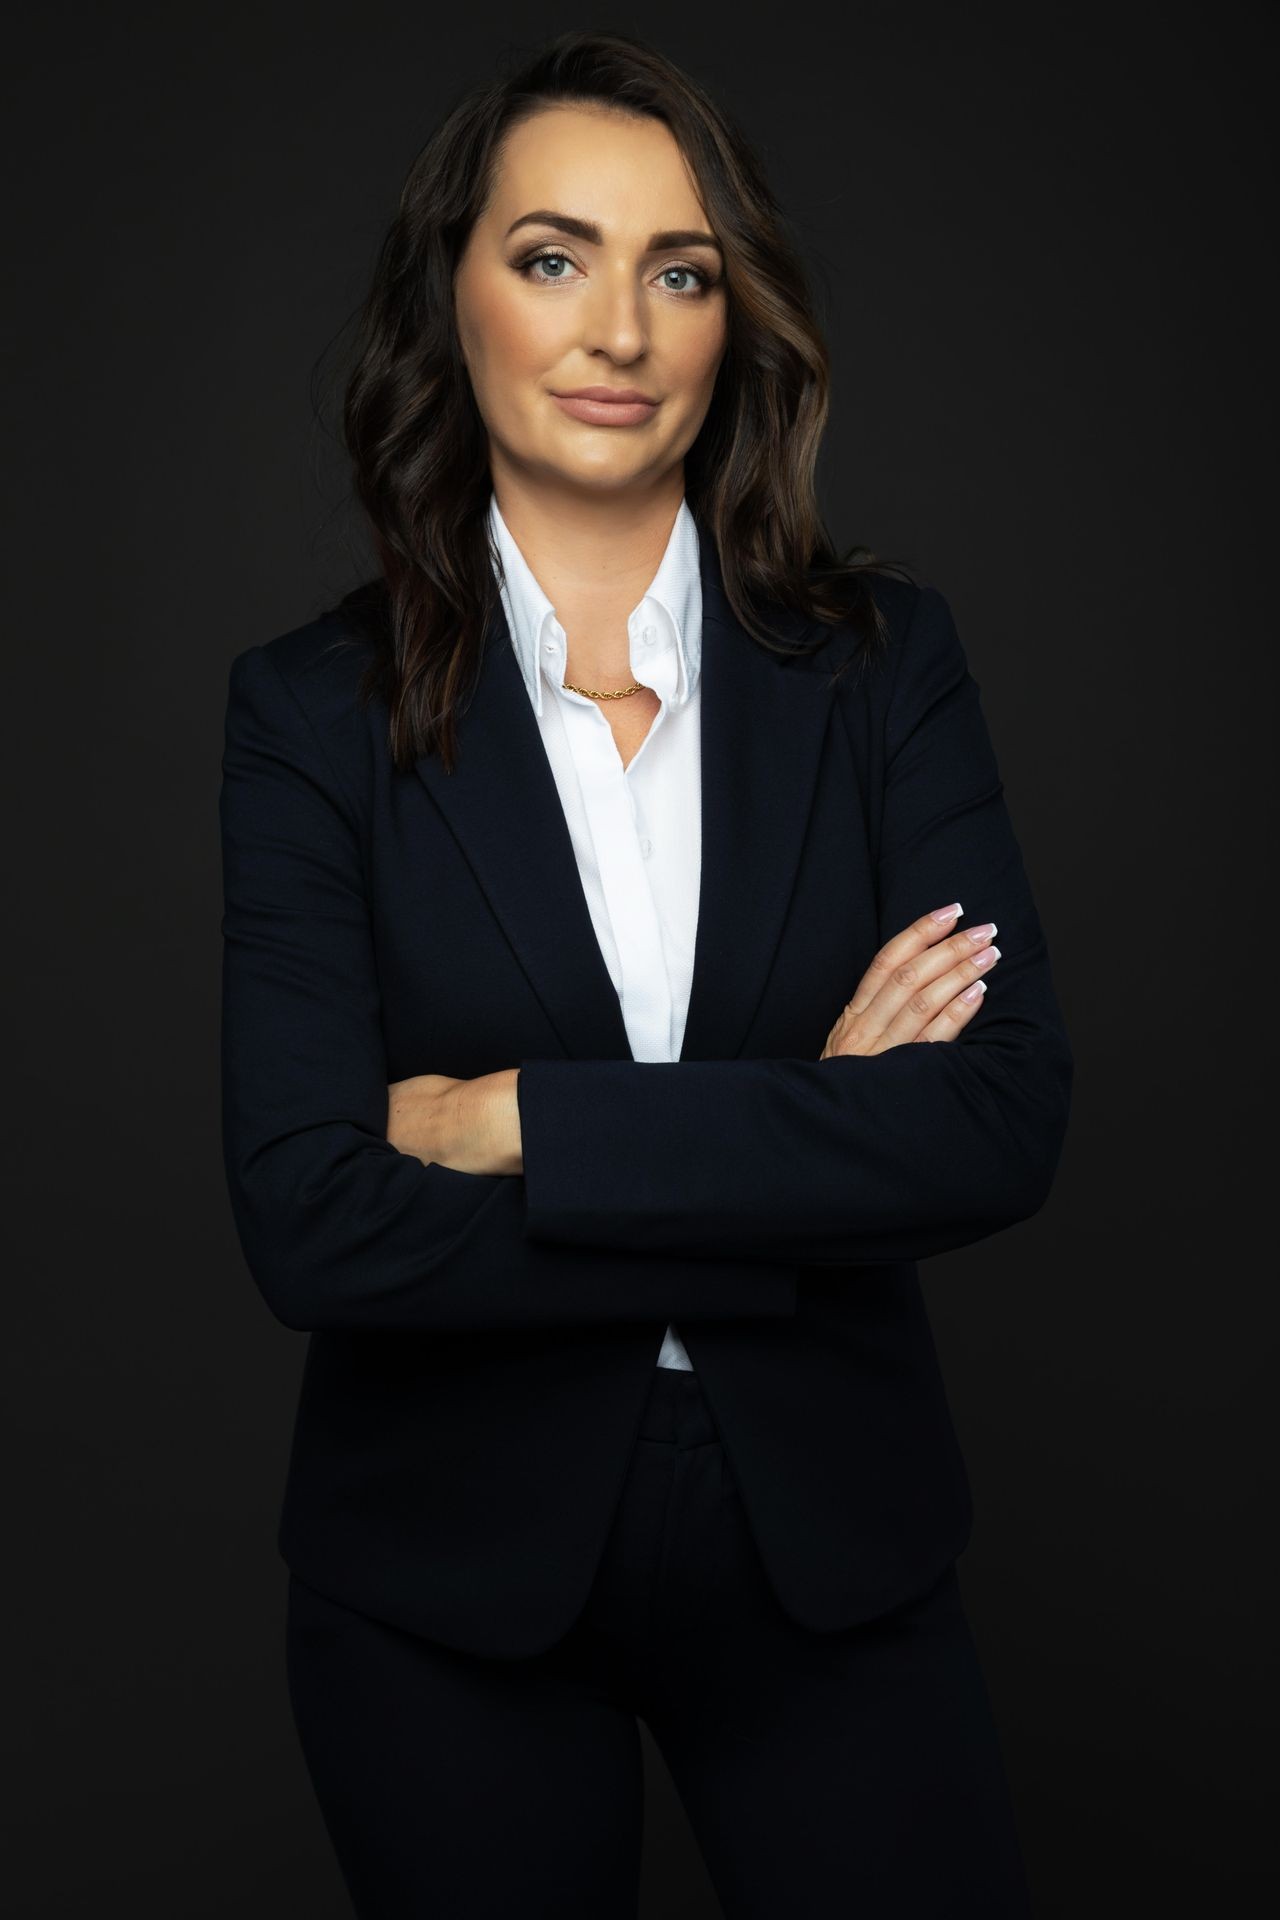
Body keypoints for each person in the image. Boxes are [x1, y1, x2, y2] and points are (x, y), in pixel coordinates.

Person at [218, 28, 1072, 1919]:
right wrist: (818, 1155)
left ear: (729, 321)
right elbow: (310, 1223)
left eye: (677, 268)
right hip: (442, 1591)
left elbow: (1001, 1123)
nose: (619, 325)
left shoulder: (881, 670)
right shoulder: (305, 715)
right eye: (553, 256)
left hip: (831, 1557)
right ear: (452, 296)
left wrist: (518, 1123)